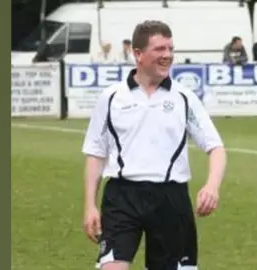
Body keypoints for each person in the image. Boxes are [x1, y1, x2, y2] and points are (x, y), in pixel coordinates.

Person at [82, 20, 227, 270]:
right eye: (159, 49)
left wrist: (212, 186)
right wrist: (90, 206)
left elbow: (216, 147)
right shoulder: (111, 97)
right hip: (122, 197)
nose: (167, 55)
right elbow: (96, 153)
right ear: (137, 54)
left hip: (170, 198)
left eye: (170, 49)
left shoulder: (184, 98)